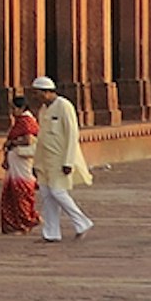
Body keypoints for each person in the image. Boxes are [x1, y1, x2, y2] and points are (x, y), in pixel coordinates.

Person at [30, 76, 95, 243]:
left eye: (37, 93)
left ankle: (82, 222)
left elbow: (72, 135)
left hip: (60, 158)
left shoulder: (64, 106)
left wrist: (68, 161)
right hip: (45, 159)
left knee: (58, 192)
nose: (36, 97)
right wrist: (36, 163)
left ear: (47, 92)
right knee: (46, 194)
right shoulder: (44, 110)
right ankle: (51, 232)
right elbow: (42, 138)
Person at [0, 110, 42, 234]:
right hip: (15, 162)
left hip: (22, 162)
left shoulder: (26, 122)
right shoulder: (22, 122)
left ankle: (26, 221)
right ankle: (17, 223)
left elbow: (28, 140)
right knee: (13, 192)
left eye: (14, 108)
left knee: (21, 192)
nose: (12, 112)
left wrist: (12, 143)